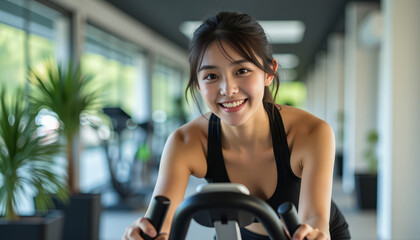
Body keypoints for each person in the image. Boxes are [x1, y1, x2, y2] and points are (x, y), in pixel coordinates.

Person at [123, 11, 350, 240]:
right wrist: (145, 234)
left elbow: (315, 219)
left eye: (242, 71)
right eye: (211, 76)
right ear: (199, 86)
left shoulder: (310, 133)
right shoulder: (185, 142)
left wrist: (313, 234)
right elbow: (161, 224)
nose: (228, 89)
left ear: (269, 73)